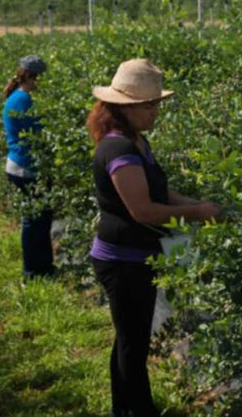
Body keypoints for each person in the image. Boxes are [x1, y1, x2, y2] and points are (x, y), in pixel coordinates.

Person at [86, 58, 222, 417]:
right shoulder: (118, 150)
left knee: (129, 338)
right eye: (149, 105)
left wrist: (198, 205)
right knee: (133, 343)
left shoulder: (136, 142)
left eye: (157, 103)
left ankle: (124, 409)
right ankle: (138, 410)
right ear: (125, 107)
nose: (155, 111)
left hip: (136, 255)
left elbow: (160, 191)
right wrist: (195, 214)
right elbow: (143, 210)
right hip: (122, 261)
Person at [3, 54, 54, 279]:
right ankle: (32, 272)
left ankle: (43, 268)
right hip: (26, 168)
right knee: (34, 220)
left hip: (22, 166)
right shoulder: (23, 101)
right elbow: (40, 133)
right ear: (33, 77)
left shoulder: (19, 97)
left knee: (41, 219)